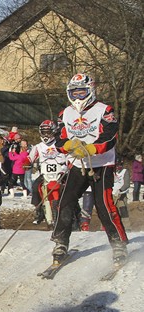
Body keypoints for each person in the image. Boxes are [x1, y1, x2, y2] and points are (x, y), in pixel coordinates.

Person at [53, 73, 128, 266]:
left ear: (91, 90)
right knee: (65, 201)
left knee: (103, 204)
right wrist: (69, 146)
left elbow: (111, 136)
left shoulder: (104, 110)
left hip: (102, 164)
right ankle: (61, 242)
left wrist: (92, 148)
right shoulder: (65, 113)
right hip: (78, 164)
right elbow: (59, 139)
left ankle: (118, 242)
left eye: (82, 92)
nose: (78, 96)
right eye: (74, 92)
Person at [28, 120, 67, 226]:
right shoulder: (38, 147)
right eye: (43, 132)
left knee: (70, 190)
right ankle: (39, 211)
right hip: (45, 174)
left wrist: (67, 166)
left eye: (48, 132)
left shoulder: (61, 144)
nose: (46, 135)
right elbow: (30, 158)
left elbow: (68, 156)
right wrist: (26, 163)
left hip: (61, 173)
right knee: (35, 187)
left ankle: (74, 211)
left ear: (53, 131)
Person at [112, 158, 130, 223]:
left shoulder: (124, 171)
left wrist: (120, 190)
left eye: (119, 165)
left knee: (123, 210)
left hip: (121, 194)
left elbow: (127, 184)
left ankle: (126, 225)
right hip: (112, 193)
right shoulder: (111, 172)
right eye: (116, 165)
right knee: (111, 210)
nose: (117, 167)